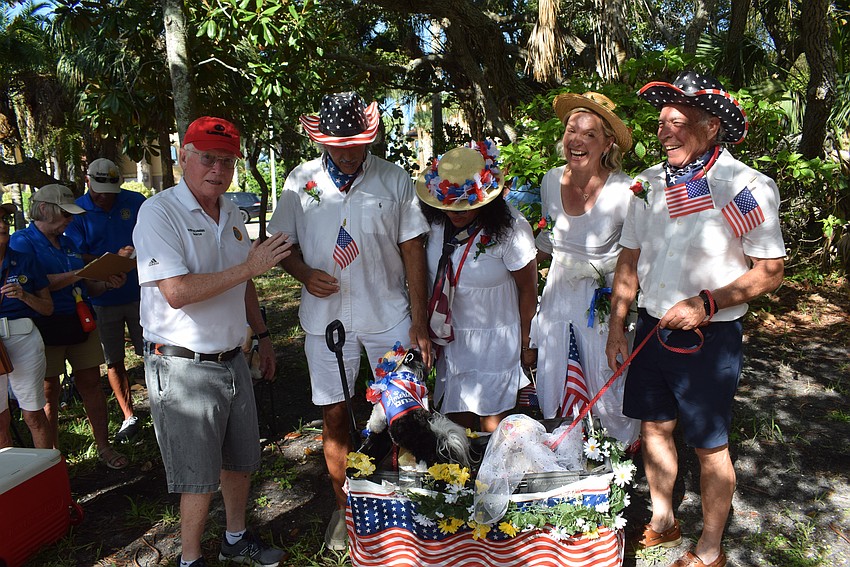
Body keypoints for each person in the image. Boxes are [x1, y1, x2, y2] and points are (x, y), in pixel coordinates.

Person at [605, 71, 786, 567]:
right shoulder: (650, 183)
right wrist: (618, 325)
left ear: (710, 127)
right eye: (661, 122)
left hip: (709, 335)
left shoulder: (743, 186)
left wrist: (706, 304)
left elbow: (769, 271)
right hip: (650, 327)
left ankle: (710, 548)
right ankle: (663, 520)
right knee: (655, 427)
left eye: (676, 122)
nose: (663, 131)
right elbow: (629, 256)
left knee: (709, 444)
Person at [267, 91, 431, 551]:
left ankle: (413, 506)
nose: (350, 151)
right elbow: (283, 244)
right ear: (323, 140)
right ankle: (347, 512)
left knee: (405, 411)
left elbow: (413, 248)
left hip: (388, 314)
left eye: (359, 142)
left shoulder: (394, 179)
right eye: (340, 143)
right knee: (335, 414)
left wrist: (419, 321)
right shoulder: (301, 181)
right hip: (326, 320)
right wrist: (302, 272)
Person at [133, 116, 292, 567]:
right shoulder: (159, 213)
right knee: (197, 477)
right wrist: (250, 267)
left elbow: (245, 285)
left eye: (227, 161)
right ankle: (188, 558)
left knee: (241, 459)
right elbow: (177, 292)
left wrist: (262, 336)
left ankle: (235, 538)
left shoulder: (234, 215)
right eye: (208, 158)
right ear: (184, 155)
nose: (217, 170)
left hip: (232, 358)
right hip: (182, 364)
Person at [531, 92, 640, 446]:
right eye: (570, 130)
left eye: (589, 134)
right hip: (558, 296)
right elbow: (546, 245)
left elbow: (633, 261)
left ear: (608, 142)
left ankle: (617, 463)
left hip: (603, 302)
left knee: (608, 380)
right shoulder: (550, 180)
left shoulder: (626, 191)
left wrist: (620, 324)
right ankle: (564, 457)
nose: (576, 140)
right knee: (555, 374)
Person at [415, 142, 537, 432]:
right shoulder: (431, 225)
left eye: (465, 203)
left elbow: (528, 290)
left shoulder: (511, 229)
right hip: (454, 343)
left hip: (496, 342)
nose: (456, 211)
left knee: (496, 433)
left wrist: (525, 343)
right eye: (448, 204)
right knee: (457, 432)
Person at [10, 184, 129, 469]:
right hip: (42, 325)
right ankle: (53, 459)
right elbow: (37, 283)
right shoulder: (21, 242)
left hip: (79, 320)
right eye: (65, 214)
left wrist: (106, 281)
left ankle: (103, 446)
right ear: (42, 210)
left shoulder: (67, 243)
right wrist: (79, 273)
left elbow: (87, 285)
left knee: (91, 383)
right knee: (48, 392)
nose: (69, 220)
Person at [65, 158, 146, 444]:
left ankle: (164, 407)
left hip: (141, 294)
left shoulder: (136, 202)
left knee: (152, 352)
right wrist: (110, 260)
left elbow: (153, 235)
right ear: (87, 181)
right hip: (101, 299)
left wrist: (137, 252)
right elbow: (73, 254)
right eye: (98, 190)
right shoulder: (76, 211)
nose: (103, 197)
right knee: (114, 360)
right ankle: (129, 416)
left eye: (110, 191)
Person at [0, 203, 54, 449]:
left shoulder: (25, 261)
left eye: (5, 219)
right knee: (1, 419)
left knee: (32, 413)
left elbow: (47, 308)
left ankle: (47, 476)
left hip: (23, 339)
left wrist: (24, 296)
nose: (3, 225)